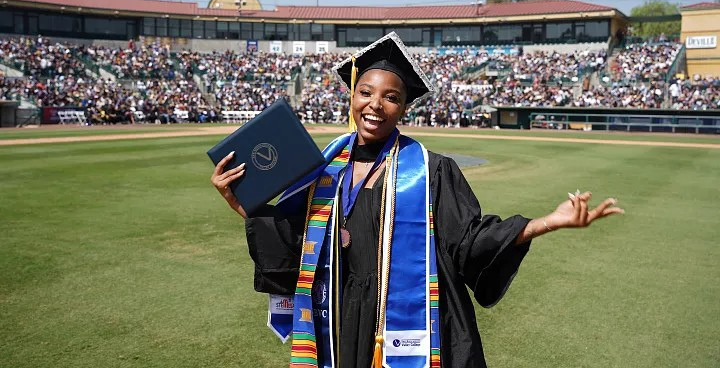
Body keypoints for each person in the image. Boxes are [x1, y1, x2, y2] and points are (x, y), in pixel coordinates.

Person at [210, 32, 624, 368]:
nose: (375, 105)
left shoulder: (431, 171)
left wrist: (548, 221)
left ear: (404, 107)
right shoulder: (323, 168)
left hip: (399, 323)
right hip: (336, 316)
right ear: (352, 97)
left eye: (391, 97)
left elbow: (469, 242)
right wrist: (238, 199)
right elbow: (290, 240)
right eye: (366, 92)